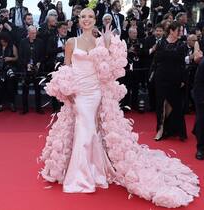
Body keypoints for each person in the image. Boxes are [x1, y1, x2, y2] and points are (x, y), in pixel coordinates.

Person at [40, 8, 199, 208]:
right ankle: (84, 174)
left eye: (90, 16)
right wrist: (67, 88)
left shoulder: (100, 42)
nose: (87, 19)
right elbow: (67, 67)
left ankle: (91, 172)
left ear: (94, 20)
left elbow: (107, 68)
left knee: (90, 129)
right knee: (85, 128)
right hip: (79, 93)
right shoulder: (71, 42)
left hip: (95, 92)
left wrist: (107, 43)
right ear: (78, 21)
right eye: (83, 17)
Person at [150, 21, 188, 141]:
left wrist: (183, 79)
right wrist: (152, 74)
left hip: (175, 78)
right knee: (161, 103)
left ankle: (175, 129)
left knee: (174, 104)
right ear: (172, 31)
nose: (180, 33)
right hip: (161, 77)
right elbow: (156, 61)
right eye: (179, 31)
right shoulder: (161, 43)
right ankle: (161, 130)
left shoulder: (181, 45)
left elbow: (183, 64)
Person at [19, 26, 45, 115]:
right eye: (33, 33)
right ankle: (24, 109)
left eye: (35, 33)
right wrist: (26, 64)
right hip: (26, 69)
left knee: (38, 89)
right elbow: (20, 56)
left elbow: (43, 55)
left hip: (37, 69)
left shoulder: (40, 42)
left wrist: (39, 63)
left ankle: (39, 108)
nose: (35, 35)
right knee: (24, 90)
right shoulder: (23, 42)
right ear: (28, 33)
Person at [0, 32, 18, 112]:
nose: (2, 42)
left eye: (3, 41)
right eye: (1, 41)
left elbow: (16, 57)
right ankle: (0, 104)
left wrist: (9, 58)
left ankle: (12, 103)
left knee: (10, 87)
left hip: (9, 69)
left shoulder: (12, 46)